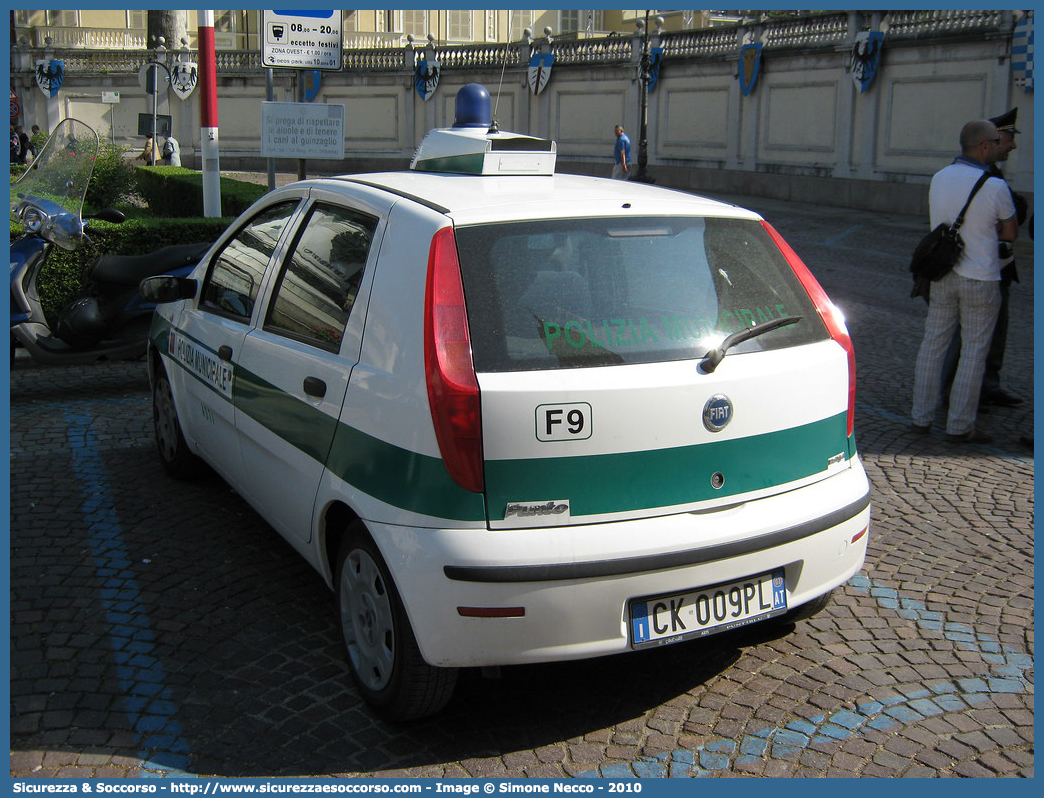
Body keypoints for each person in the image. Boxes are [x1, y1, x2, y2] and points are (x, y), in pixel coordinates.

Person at [910, 120, 1017, 443]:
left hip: (943, 273)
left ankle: (921, 417)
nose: (1001, 146)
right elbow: (1010, 232)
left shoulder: (940, 177)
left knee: (933, 345)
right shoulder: (995, 185)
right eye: (997, 141)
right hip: (980, 276)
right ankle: (959, 425)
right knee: (973, 351)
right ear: (984, 145)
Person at [942, 108, 1026, 409]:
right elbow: (1011, 225)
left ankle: (985, 386)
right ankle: (957, 397)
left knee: (992, 332)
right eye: (1007, 139)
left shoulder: (988, 173)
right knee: (969, 337)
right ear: (990, 141)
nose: (1012, 146)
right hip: (980, 267)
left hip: (993, 266)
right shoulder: (985, 175)